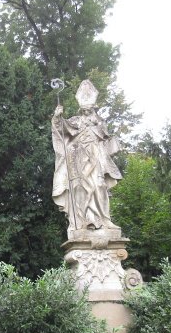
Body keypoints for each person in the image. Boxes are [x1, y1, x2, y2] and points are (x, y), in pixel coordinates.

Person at [51, 80, 121, 232]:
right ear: (81, 109)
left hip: (96, 158)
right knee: (80, 188)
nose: (87, 112)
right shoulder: (75, 121)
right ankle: (82, 221)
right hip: (79, 159)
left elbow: (105, 138)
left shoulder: (100, 123)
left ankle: (105, 220)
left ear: (93, 108)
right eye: (84, 110)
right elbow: (60, 128)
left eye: (89, 109)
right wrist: (57, 117)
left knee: (100, 186)